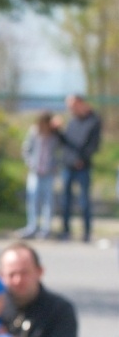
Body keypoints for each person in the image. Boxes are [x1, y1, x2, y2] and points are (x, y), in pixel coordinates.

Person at [52, 94, 102, 242]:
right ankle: (66, 231)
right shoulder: (72, 121)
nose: (69, 108)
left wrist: (82, 159)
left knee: (84, 201)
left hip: (83, 167)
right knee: (65, 200)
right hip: (67, 166)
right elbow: (66, 143)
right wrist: (57, 130)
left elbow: (94, 146)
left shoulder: (93, 121)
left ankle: (86, 233)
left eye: (72, 105)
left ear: (80, 103)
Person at [19, 111, 58, 239]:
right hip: (35, 171)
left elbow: (61, 151)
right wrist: (30, 163)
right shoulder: (34, 132)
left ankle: (46, 229)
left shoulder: (55, 135)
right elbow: (26, 149)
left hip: (49, 172)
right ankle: (32, 227)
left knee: (48, 201)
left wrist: (55, 166)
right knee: (33, 200)